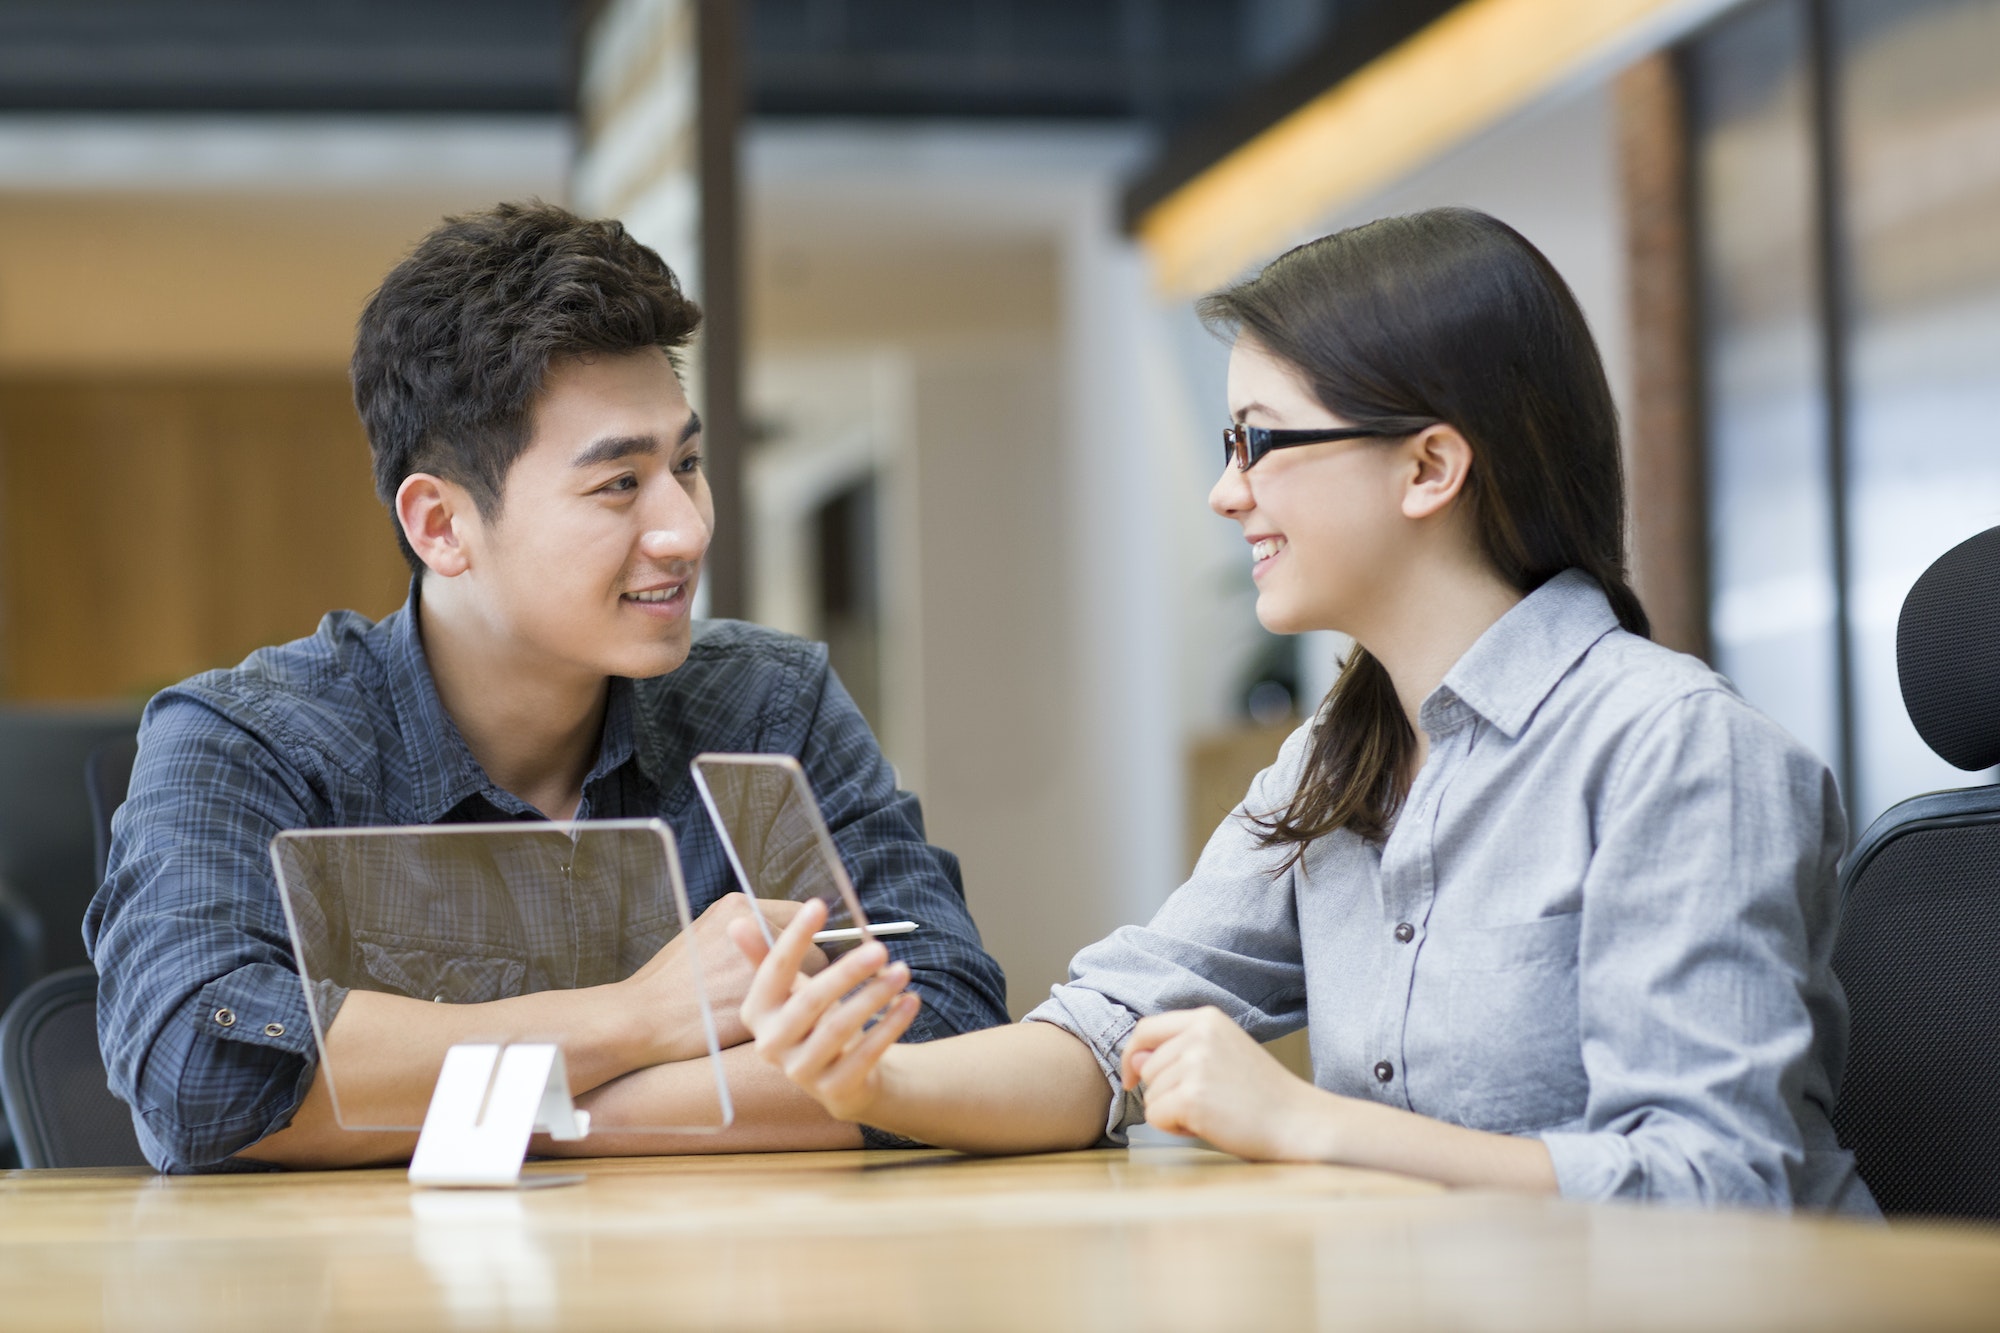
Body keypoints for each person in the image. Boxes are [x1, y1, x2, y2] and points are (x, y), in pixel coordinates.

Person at [730, 208, 1876, 1212]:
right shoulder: (1339, 760)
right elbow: (1100, 1029)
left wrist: (1304, 1123)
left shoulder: (1678, 752)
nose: (1227, 490)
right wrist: (874, 1078)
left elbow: (1717, 1185)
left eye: (1260, 441)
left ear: (1429, 467)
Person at [85, 202, 1008, 1173]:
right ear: (440, 526)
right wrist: (641, 1015)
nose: (686, 530)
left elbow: (943, 1029)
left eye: (685, 465)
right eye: (617, 484)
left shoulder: (765, 709)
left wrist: (557, 1103)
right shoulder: (247, 742)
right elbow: (201, 1073)